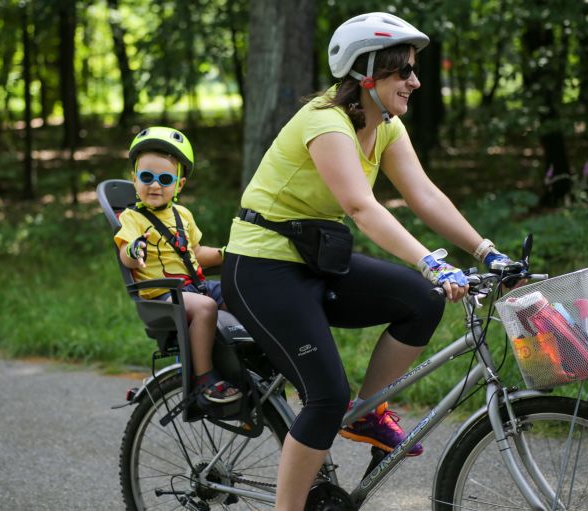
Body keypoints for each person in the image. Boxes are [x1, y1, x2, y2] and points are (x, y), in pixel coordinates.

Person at [221, 12, 514, 510]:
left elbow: (424, 194)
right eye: (405, 71)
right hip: (261, 267)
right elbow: (361, 207)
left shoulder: (386, 127)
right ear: (367, 75)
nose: (415, 82)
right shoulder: (324, 121)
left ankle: (366, 412)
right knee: (325, 396)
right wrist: (431, 261)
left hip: (314, 262)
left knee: (421, 300)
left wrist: (487, 251)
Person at [115, 126, 242, 407]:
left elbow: (195, 253)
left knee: (242, 291)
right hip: (162, 294)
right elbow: (125, 253)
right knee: (206, 307)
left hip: (194, 287)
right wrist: (135, 250)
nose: (155, 185)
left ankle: (240, 363)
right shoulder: (132, 218)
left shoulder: (182, 214)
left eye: (165, 179)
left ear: (179, 185)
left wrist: (229, 254)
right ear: (134, 179)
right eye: (146, 177)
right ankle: (204, 378)